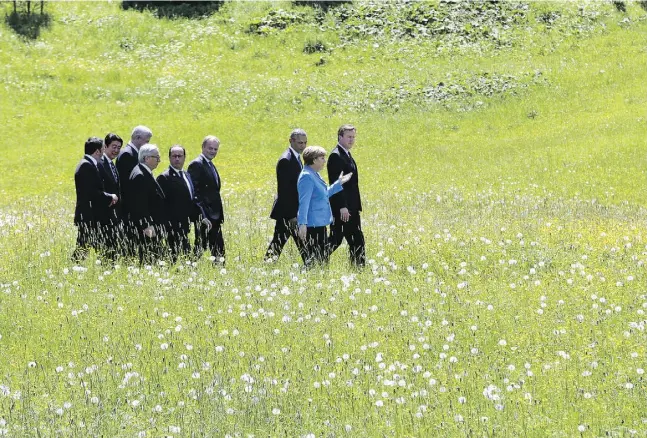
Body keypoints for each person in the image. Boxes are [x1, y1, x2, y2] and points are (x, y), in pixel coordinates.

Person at [297, 146, 352, 268]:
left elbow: (325, 193)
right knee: (315, 260)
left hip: (320, 223)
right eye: (322, 158)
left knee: (321, 260)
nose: (324, 161)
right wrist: (302, 224)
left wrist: (339, 183)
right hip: (312, 225)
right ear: (314, 160)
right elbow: (304, 202)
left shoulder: (314, 174)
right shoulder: (307, 176)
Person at [157, 145, 211, 262]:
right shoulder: (164, 177)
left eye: (180, 156)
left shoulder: (186, 175)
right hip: (172, 226)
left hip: (185, 224)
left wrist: (201, 216)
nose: (177, 159)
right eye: (174, 156)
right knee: (176, 258)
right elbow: (160, 204)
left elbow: (192, 199)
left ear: (184, 158)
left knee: (187, 256)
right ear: (169, 158)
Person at [265, 128, 308, 263]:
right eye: (300, 143)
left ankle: (311, 265)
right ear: (291, 141)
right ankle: (311, 265)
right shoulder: (286, 159)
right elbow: (284, 190)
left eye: (305, 143)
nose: (303, 146)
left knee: (282, 241)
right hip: (288, 212)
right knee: (282, 241)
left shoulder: (296, 158)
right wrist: (291, 215)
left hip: (293, 211)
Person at [72, 137, 118, 262]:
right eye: (103, 149)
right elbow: (92, 192)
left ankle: (78, 267)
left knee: (86, 246)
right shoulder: (87, 166)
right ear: (97, 151)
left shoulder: (87, 164)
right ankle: (75, 268)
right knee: (83, 246)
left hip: (90, 215)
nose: (103, 153)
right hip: (88, 215)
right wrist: (110, 196)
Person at [327, 124, 365, 267]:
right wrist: (342, 206)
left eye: (353, 137)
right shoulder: (336, 156)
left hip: (351, 206)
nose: (352, 140)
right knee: (337, 239)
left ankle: (358, 269)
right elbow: (336, 184)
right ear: (340, 137)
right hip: (343, 208)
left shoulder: (346, 154)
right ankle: (314, 260)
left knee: (356, 240)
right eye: (349, 137)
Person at [187, 135, 225, 264]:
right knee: (201, 246)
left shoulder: (209, 164)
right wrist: (202, 215)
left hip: (214, 215)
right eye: (210, 148)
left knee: (216, 247)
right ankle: (189, 267)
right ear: (203, 147)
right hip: (205, 216)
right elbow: (194, 192)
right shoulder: (197, 164)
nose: (213, 151)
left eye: (215, 149)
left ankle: (219, 270)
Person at [117, 125, 152, 256]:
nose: (147, 144)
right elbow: (127, 185)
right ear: (137, 138)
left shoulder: (133, 154)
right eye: (146, 141)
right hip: (129, 208)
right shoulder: (127, 154)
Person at [128, 144, 166, 264]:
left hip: (151, 226)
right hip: (147, 228)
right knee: (148, 259)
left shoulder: (143, 172)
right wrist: (146, 225)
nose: (159, 160)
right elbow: (139, 204)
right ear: (147, 158)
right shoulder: (140, 175)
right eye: (156, 157)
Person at [97, 132, 123, 258]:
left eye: (119, 148)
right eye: (114, 146)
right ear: (105, 146)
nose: (116, 150)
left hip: (113, 214)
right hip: (104, 213)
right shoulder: (101, 163)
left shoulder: (112, 164)